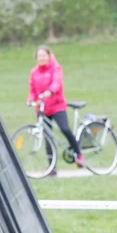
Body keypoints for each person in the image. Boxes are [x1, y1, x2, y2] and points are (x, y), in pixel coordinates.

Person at [27, 45, 84, 174]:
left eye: (43, 55)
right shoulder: (34, 72)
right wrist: (31, 99)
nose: (41, 58)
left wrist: (50, 91)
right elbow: (32, 89)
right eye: (39, 56)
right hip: (42, 108)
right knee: (48, 136)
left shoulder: (55, 68)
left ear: (48, 56)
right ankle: (51, 167)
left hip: (57, 105)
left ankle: (78, 154)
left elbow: (57, 83)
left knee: (64, 128)